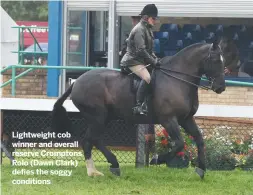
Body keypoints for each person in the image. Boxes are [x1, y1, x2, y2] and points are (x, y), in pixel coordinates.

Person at [120, 4, 161, 116]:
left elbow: (149, 50)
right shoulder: (139, 29)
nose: (155, 21)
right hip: (132, 61)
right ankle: (138, 106)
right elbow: (141, 50)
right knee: (147, 77)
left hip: (140, 60)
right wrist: (153, 62)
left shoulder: (147, 29)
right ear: (146, 17)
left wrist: (156, 59)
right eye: (154, 18)